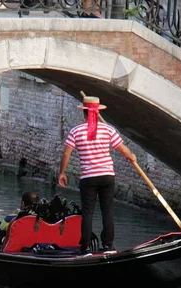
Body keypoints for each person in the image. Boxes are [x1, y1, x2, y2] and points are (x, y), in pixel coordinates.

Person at [58, 96, 137, 256]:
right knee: (107, 211)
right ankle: (108, 246)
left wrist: (62, 172)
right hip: (107, 176)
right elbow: (123, 150)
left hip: (88, 178)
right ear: (97, 112)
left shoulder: (76, 131)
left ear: (84, 113)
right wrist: (132, 156)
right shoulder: (108, 130)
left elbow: (67, 153)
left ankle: (85, 248)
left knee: (88, 212)